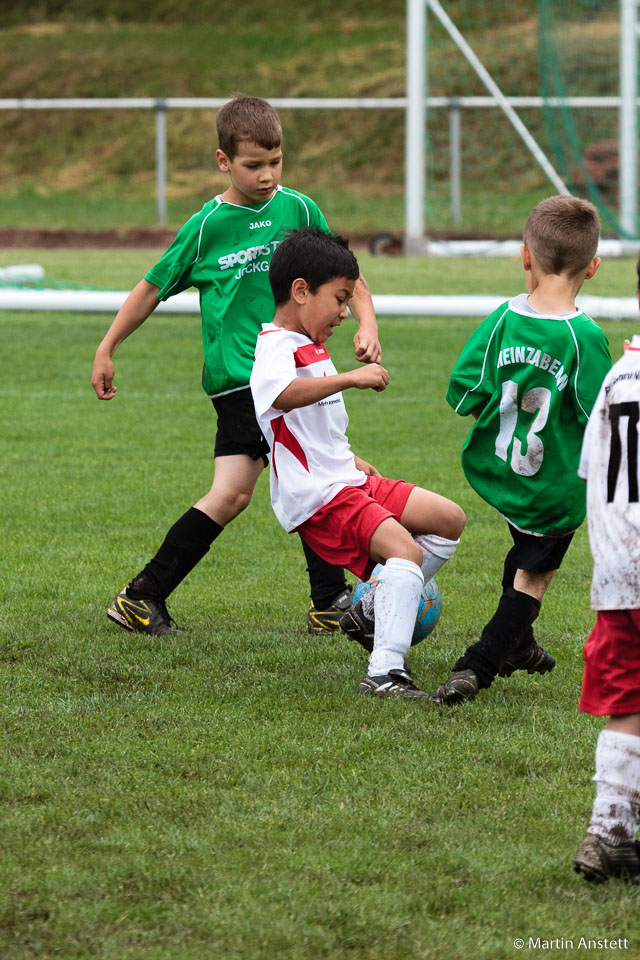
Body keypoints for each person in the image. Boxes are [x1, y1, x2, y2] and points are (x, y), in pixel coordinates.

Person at [90, 95, 381, 637]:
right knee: (319, 475)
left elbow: (346, 274)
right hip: (243, 381)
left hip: (291, 371)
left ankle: (143, 597)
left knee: (237, 493)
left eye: (275, 162)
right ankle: (329, 601)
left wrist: (367, 323)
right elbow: (152, 288)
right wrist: (108, 346)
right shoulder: (208, 226)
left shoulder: (298, 209)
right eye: (253, 165)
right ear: (224, 161)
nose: (267, 175)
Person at [250, 227, 465, 698]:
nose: (346, 311)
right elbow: (281, 397)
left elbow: (310, 428)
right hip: (320, 496)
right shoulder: (274, 347)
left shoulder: (312, 347)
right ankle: (385, 672)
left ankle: (372, 611)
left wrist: (352, 458)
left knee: (448, 519)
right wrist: (351, 378)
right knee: (405, 552)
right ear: (301, 292)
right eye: (340, 298)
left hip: (344, 477)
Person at [430, 195, 612, 706]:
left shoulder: (503, 318)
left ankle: (521, 644)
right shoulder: (583, 337)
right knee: (535, 575)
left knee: (522, 550)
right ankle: (478, 664)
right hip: (553, 488)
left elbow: (464, 387)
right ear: (593, 268)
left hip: (503, 473)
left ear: (525, 256)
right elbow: (602, 412)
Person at [572, 316, 640, 883]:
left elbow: (593, 471)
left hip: (618, 574)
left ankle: (607, 833)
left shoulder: (618, 376)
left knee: (628, 703)